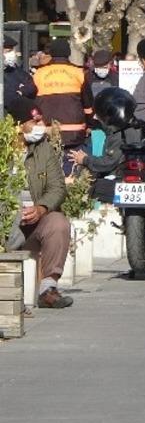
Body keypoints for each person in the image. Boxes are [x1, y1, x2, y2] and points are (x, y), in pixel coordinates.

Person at [7, 98, 73, 308]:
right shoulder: (4, 150)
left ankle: (48, 288)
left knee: (58, 223)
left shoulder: (43, 148)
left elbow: (57, 187)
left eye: (40, 120)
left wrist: (42, 208)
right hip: (7, 223)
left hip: (34, 222)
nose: (39, 126)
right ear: (17, 125)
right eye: (33, 121)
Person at [33, 38, 93, 174]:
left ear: (51, 53)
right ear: (68, 53)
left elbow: (29, 101)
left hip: (48, 134)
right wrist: (90, 125)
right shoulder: (79, 73)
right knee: (71, 174)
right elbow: (88, 106)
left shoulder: (39, 74)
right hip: (74, 135)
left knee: (50, 175)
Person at [3, 36, 36, 107]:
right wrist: (15, 93)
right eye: (8, 51)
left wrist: (21, 91)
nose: (12, 54)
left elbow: (31, 86)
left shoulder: (15, 70)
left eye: (12, 50)